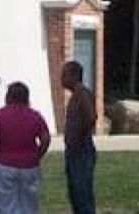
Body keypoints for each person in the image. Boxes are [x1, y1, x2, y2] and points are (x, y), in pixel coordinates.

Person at [0, 82, 50, 214]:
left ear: (8, 96)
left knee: (6, 205)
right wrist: (37, 155)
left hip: (3, 164)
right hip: (29, 165)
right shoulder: (35, 115)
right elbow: (45, 139)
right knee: (29, 205)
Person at [61, 61, 97, 214]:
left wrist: (78, 137)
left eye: (65, 75)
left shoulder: (82, 93)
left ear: (74, 76)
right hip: (74, 151)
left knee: (82, 196)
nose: (61, 78)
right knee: (75, 195)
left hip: (81, 151)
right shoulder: (75, 95)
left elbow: (91, 117)